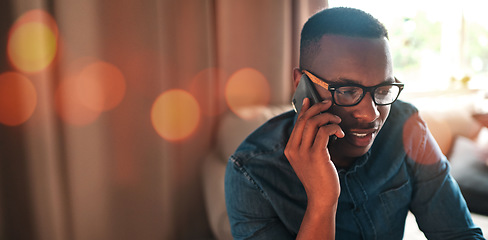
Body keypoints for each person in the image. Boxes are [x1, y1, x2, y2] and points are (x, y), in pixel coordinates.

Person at [224, 7, 485, 240]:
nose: (371, 115)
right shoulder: (251, 172)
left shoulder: (407, 129)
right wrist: (322, 202)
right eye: (347, 90)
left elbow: (460, 233)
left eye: (383, 89)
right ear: (301, 85)